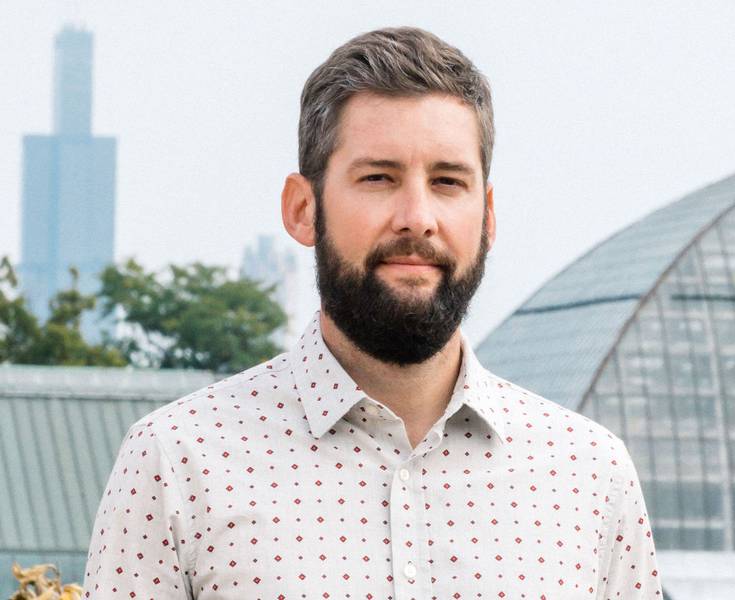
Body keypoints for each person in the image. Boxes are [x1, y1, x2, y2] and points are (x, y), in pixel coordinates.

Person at [82, 27, 662, 599]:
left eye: (447, 181)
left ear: (487, 216)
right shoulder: (179, 461)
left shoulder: (591, 474)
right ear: (303, 209)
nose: (417, 216)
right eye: (379, 178)